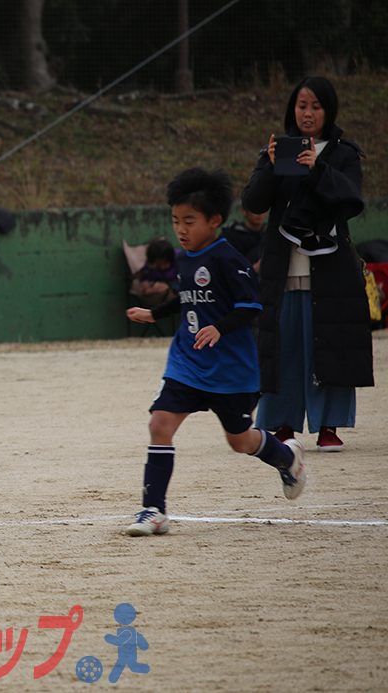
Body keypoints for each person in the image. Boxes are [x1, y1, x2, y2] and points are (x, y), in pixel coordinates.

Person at [124, 168, 305, 537]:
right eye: (175, 220)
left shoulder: (228, 259)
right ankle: (154, 511)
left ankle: (287, 456)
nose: (180, 229)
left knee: (240, 441)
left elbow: (251, 305)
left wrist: (219, 327)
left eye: (189, 221)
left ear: (214, 221)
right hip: (187, 362)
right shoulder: (184, 258)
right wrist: (154, 313)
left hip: (230, 370)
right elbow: (186, 298)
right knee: (159, 424)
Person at [241, 76, 370, 453]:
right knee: (283, 348)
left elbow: (351, 199)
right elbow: (253, 202)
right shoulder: (275, 151)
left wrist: (317, 168)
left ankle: (329, 426)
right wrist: (269, 165)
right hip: (283, 269)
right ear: (292, 110)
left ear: (329, 111)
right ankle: (281, 424)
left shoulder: (343, 153)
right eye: (301, 106)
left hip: (331, 270)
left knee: (331, 345)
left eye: (315, 106)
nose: (308, 113)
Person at [129, 238, 179, 305]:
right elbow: (146, 275)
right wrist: (147, 284)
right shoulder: (151, 265)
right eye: (159, 264)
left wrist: (170, 286)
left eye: (165, 264)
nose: (162, 267)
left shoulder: (180, 261)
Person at [219, 204, 267, 272]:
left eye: (263, 210)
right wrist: (253, 270)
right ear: (244, 211)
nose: (259, 214)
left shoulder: (269, 235)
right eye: (255, 210)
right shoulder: (231, 236)